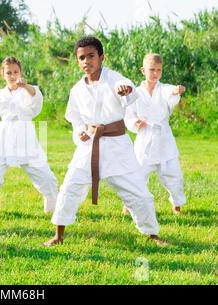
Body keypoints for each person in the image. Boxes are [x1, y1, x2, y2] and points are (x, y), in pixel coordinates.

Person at [43, 36, 165, 247]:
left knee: (138, 192)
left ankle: (152, 234)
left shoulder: (114, 79)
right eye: (81, 58)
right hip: (89, 145)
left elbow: (125, 86)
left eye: (91, 56)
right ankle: (58, 235)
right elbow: (75, 119)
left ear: (101, 57)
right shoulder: (77, 90)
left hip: (117, 146)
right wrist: (80, 132)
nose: (86, 62)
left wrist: (125, 90)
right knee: (69, 188)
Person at [0, 56, 58, 214]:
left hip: (25, 136)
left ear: (21, 73)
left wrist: (26, 86)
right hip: (3, 137)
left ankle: (54, 207)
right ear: (3, 74)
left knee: (44, 175)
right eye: (9, 72)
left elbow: (36, 102)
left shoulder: (29, 90)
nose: (13, 75)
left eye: (16, 72)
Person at [123, 53, 186, 215]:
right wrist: (135, 123)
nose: (155, 73)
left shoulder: (163, 89)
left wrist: (176, 90)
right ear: (143, 70)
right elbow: (128, 116)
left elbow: (168, 91)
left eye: (159, 70)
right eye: (152, 70)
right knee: (137, 174)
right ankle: (129, 204)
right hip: (144, 139)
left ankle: (176, 204)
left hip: (164, 140)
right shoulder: (135, 93)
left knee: (174, 175)